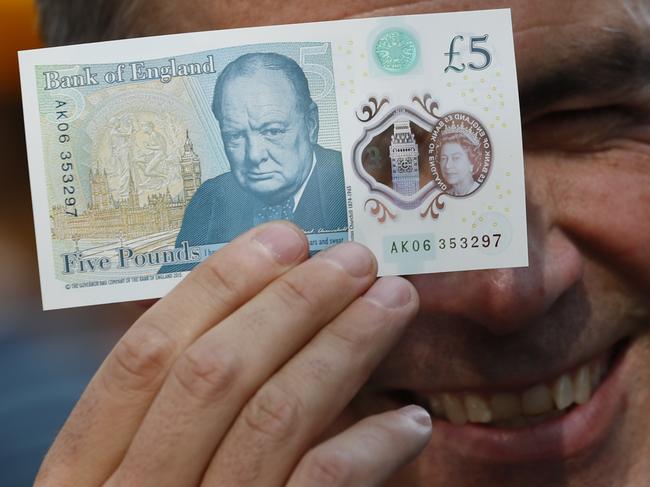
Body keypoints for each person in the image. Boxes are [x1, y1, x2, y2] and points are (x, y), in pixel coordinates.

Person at [32, 0, 650, 486]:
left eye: (581, 118)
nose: (507, 293)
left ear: (311, 123)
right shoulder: (204, 207)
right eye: (237, 134)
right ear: (146, 297)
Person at [160, 52, 347, 273]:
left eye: (272, 131)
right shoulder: (209, 200)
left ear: (311, 124)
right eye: (235, 136)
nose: (254, 155)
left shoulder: (353, 183)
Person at [438, 132, 481, 196]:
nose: (447, 166)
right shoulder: (443, 196)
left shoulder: (483, 193)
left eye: (455, 158)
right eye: (444, 158)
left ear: (472, 162)